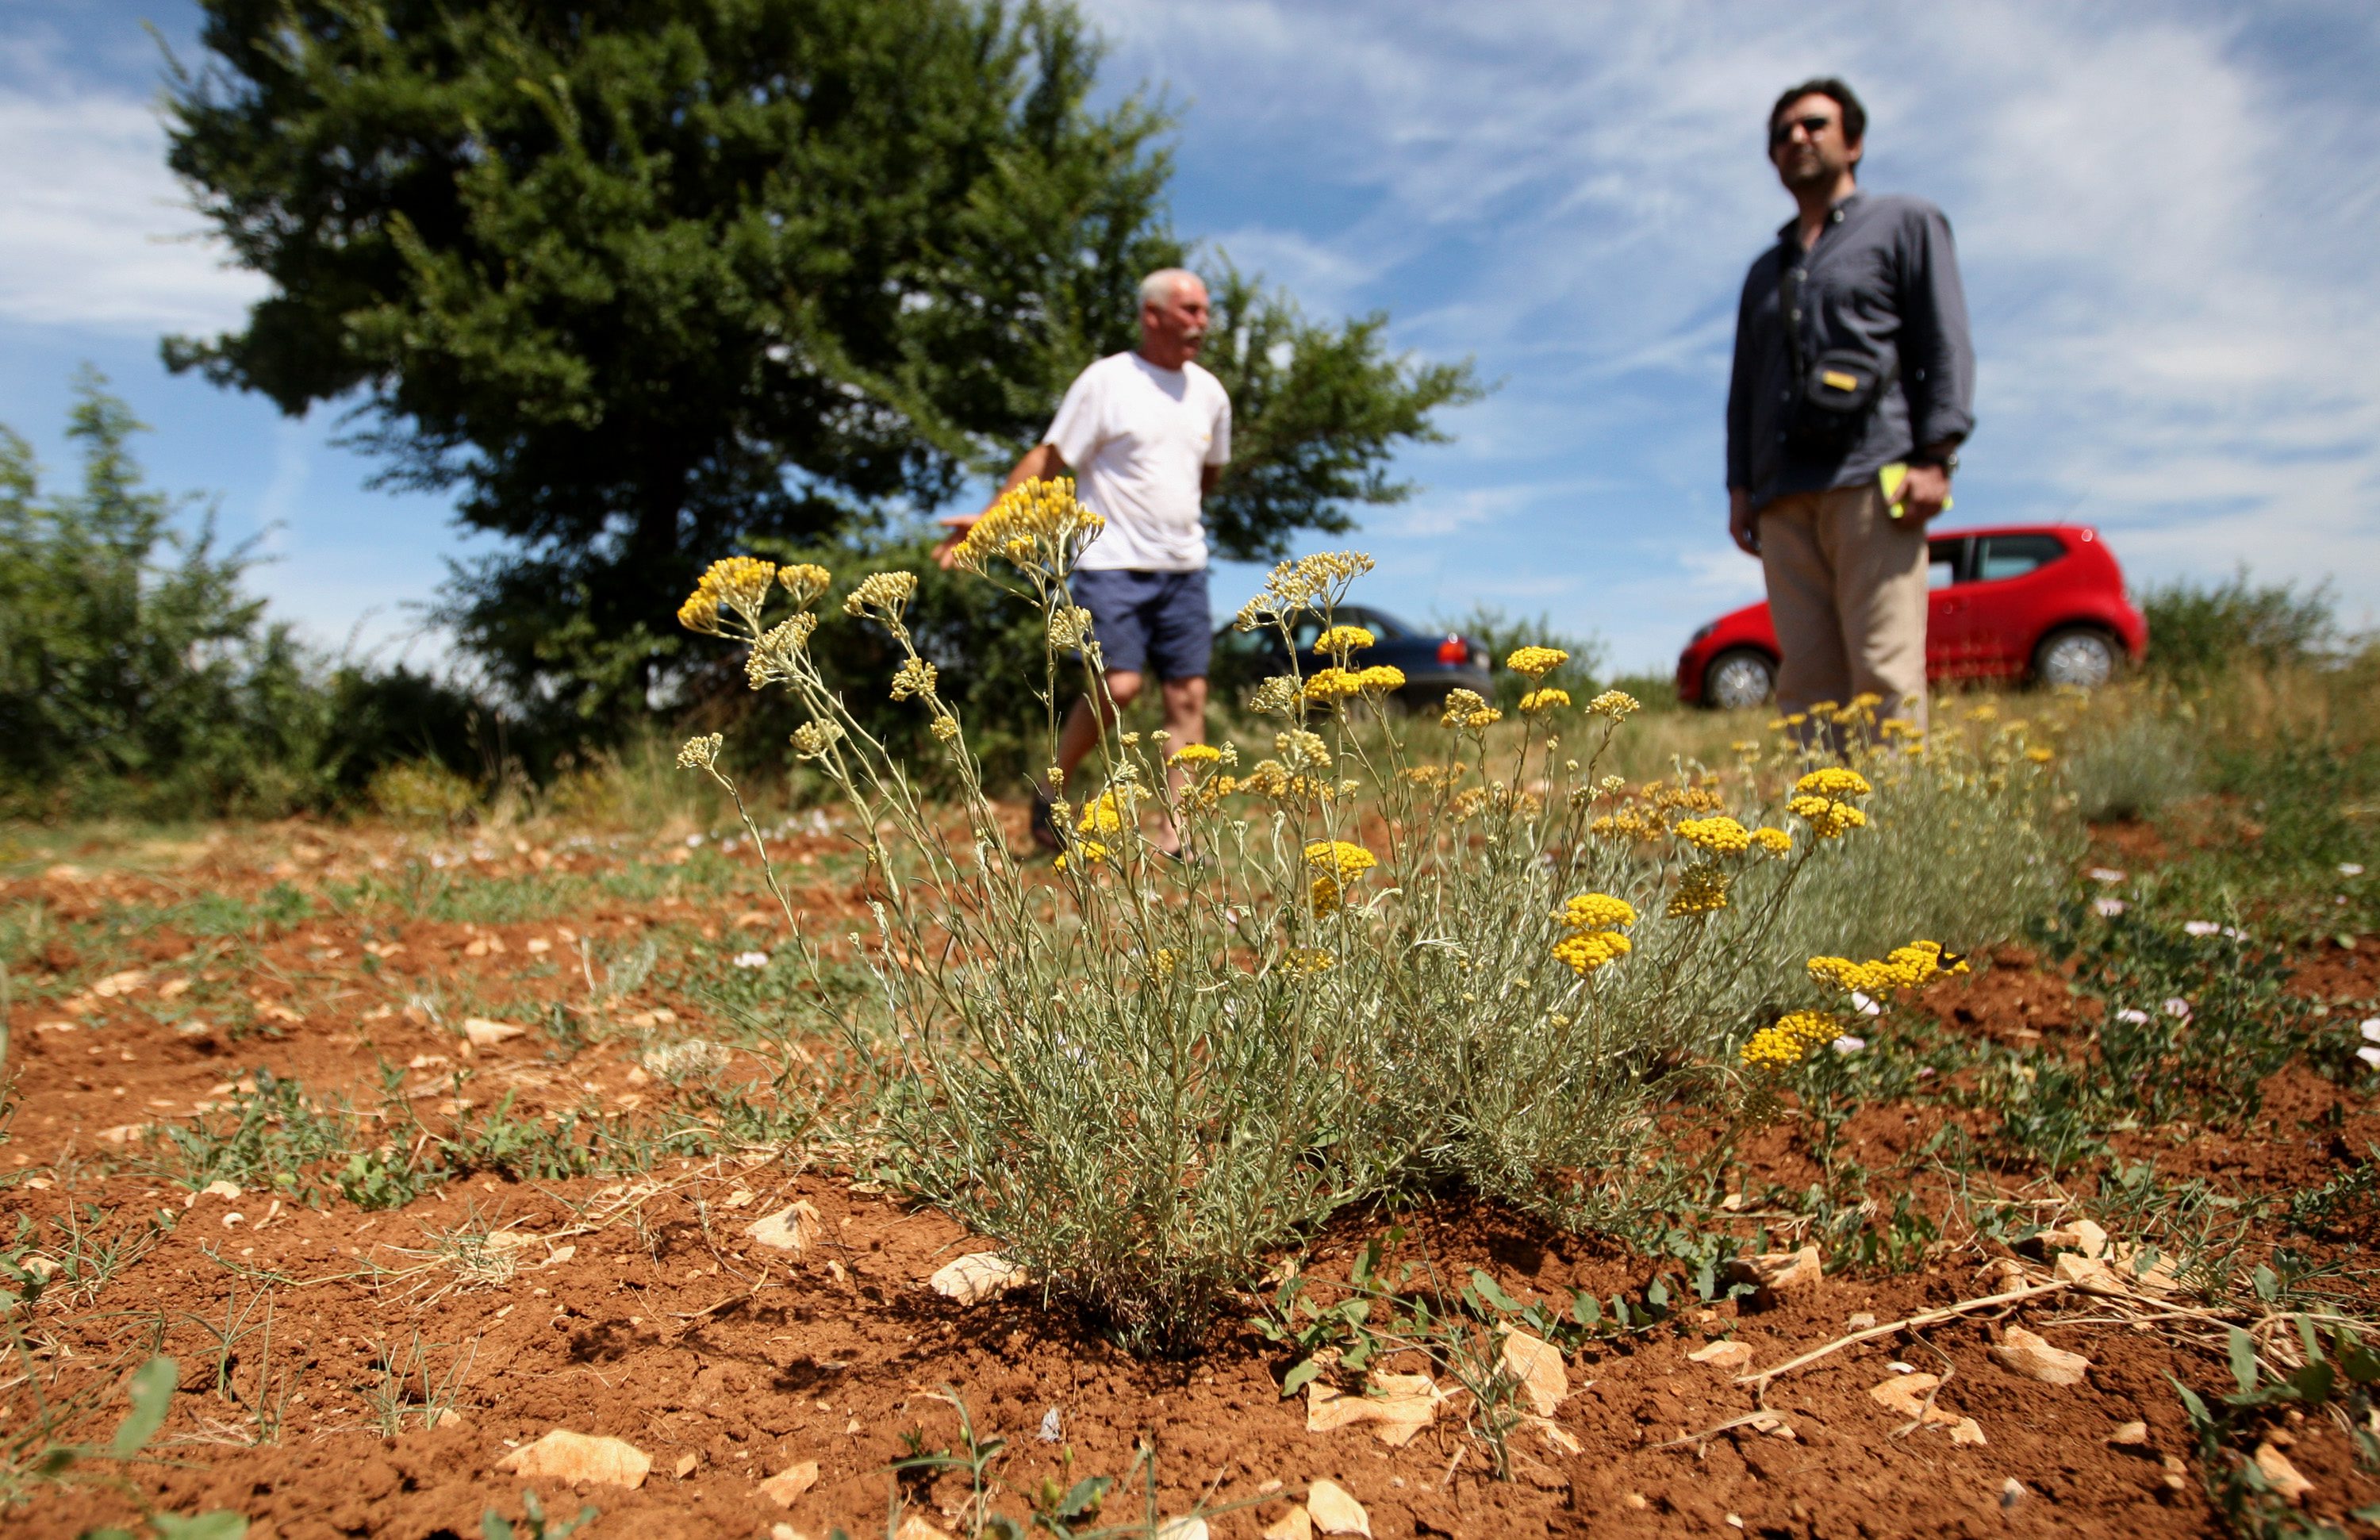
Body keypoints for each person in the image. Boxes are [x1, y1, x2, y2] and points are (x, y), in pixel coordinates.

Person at [936, 267, 1230, 854]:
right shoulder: (1108, 381)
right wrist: (993, 516)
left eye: (1204, 310)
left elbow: (1210, 472)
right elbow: (1051, 457)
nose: (1203, 321)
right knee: (1118, 686)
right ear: (1152, 315)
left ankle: (1180, 835)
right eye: (1190, 310)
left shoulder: (1210, 393)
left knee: (1188, 698)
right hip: (1110, 560)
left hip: (1184, 565)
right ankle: (1051, 788)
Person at [1725, 77, 1974, 734]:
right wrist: (1741, 488)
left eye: (1813, 125)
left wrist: (1937, 455)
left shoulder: (1905, 224)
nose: (1796, 139)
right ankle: (1824, 833)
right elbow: (1744, 388)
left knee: (1883, 668)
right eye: (1781, 134)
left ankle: (1888, 831)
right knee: (1806, 680)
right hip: (1782, 496)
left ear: (1854, 141)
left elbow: (1944, 342)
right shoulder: (1764, 270)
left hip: (1875, 477)